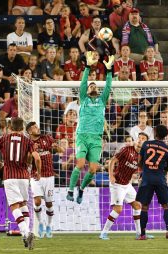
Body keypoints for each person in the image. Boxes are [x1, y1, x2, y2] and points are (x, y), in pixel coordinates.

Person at [66, 51, 115, 204]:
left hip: (96, 138)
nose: (92, 86)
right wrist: (87, 66)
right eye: (90, 85)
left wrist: (108, 71)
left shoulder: (102, 100)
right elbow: (83, 82)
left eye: (94, 85)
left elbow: (108, 85)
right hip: (82, 135)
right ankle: (70, 190)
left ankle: (81, 190)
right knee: (80, 164)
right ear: (87, 91)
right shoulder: (83, 98)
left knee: (93, 169)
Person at [0, 117, 41, 249]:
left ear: (10, 127)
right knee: (24, 204)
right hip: (24, 177)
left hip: (10, 176)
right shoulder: (27, 140)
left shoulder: (3, 138)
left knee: (14, 207)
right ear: (22, 128)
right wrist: (38, 172)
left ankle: (25, 233)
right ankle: (28, 235)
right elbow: (36, 157)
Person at [99, 132, 149, 240]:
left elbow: (138, 169)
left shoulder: (143, 155)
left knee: (137, 206)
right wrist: (111, 176)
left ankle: (139, 233)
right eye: (139, 138)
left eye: (143, 139)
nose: (140, 140)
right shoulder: (126, 150)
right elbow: (113, 161)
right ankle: (103, 233)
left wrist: (138, 176)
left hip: (127, 184)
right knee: (118, 209)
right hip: (117, 183)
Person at [136, 125, 168, 240]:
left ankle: (143, 234)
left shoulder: (146, 144)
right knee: (166, 206)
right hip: (160, 179)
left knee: (144, 207)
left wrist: (146, 167)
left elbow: (139, 163)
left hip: (147, 179)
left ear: (155, 132)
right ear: (165, 135)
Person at [26, 121, 62, 238]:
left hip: (49, 176)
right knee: (37, 201)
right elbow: (26, 162)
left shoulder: (47, 138)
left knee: (49, 203)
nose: (38, 128)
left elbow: (60, 150)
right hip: (36, 176)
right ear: (30, 131)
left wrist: (57, 147)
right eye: (35, 127)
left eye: (37, 126)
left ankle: (49, 225)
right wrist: (30, 154)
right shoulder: (28, 143)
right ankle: (41, 222)